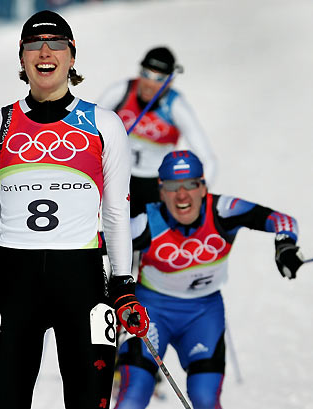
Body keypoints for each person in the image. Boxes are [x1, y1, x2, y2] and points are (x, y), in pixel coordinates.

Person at [0, 10, 149, 409]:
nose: (45, 52)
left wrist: (124, 287)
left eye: (56, 44)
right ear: (22, 57)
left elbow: (116, 214)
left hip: (82, 281)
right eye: (34, 44)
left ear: (72, 56)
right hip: (12, 282)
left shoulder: (104, 124)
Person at [113, 150, 304, 409]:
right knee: (132, 397)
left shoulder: (224, 210)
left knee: (205, 399)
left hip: (203, 315)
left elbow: (282, 220)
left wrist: (285, 246)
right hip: (150, 313)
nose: (182, 195)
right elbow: (95, 242)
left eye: (191, 184)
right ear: (160, 191)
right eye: (172, 186)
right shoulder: (146, 221)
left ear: (203, 187)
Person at [98, 46, 218, 217]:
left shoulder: (175, 106)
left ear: (170, 81)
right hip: (118, 176)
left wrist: (198, 198)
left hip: (156, 185)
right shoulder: (122, 91)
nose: (149, 84)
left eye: (159, 79)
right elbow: (86, 130)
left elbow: (208, 160)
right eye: (146, 74)